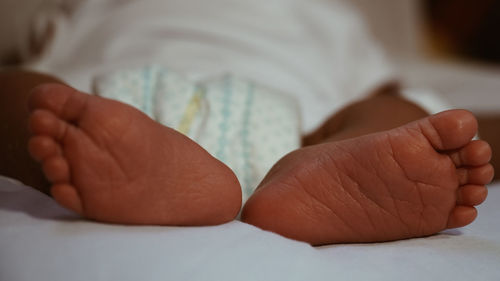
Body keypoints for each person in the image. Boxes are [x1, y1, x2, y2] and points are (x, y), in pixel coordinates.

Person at [0, 0, 495, 246]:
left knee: (25, 92)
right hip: (120, 121)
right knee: (397, 108)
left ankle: (325, 173)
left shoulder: (333, 14)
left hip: (121, 104)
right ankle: (325, 162)